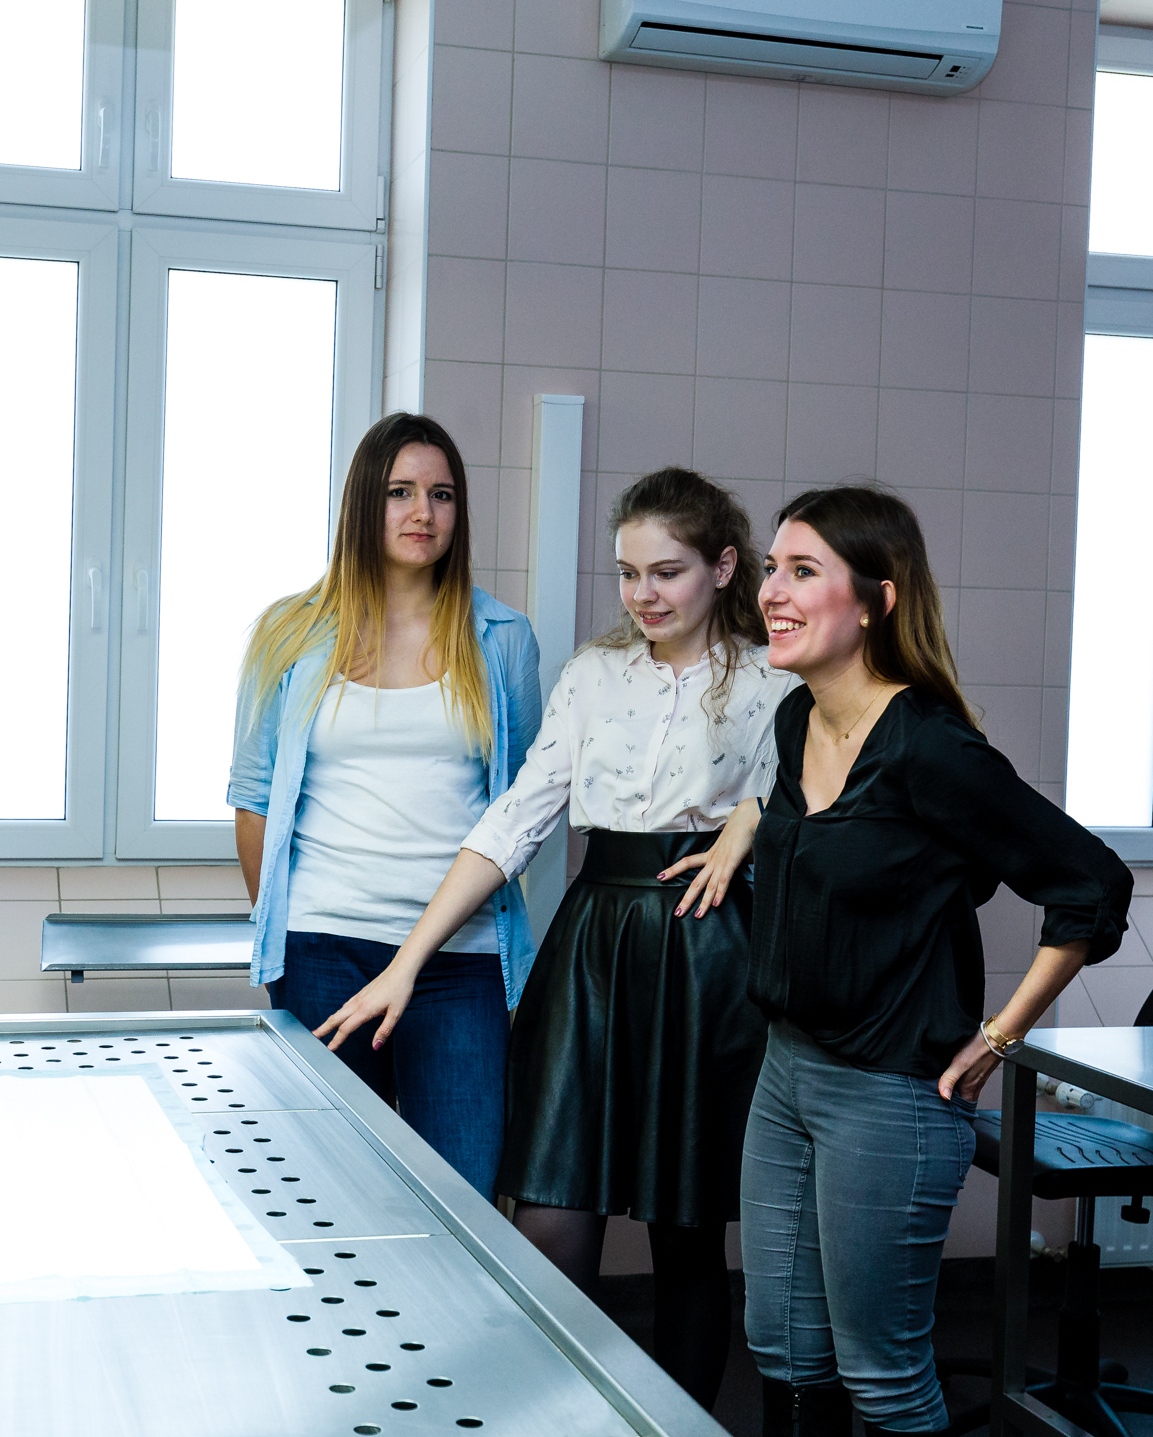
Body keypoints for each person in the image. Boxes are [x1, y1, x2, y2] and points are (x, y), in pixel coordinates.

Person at [314, 467, 796, 1408]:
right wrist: (408, 963)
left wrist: (751, 819)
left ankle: (677, 1426)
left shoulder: (774, 679)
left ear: (723, 567)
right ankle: (558, 1418)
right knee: (548, 1214)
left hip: (707, 954)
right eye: (628, 573)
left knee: (686, 1232)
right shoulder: (591, 674)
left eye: (667, 572)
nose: (643, 595)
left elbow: (812, 794)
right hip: (593, 948)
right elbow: (513, 822)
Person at [743, 486, 1133, 1437]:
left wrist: (1000, 1037)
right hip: (785, 1071)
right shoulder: (796, 721)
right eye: (771, 567)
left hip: (888, 1094)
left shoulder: (931, 748)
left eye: (803, 571)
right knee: (785, 1352)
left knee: (882, 1377)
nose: (771, 591)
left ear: (876, 601)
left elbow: (1091, 883)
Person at [228, 412, 541, 1200]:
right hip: (323, 950)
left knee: (463, 1195)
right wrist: (285, 935)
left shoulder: (503, 639)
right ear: (364, 502)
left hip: (461, 960)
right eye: (400, 492)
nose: (421, 512)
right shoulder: (290, 634)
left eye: (441, 494)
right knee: (334, 1193)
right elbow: (254, 801)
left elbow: (522, 811)